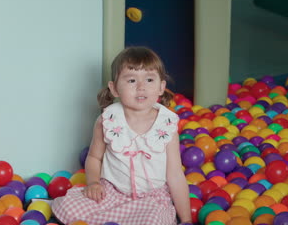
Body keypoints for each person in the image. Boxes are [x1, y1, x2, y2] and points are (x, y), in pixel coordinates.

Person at [52, 46, 192, 225]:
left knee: (153, 220)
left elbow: (175, 175)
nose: (141, 87)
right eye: (132, 80)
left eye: (149, 79)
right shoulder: (107, 121)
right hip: (112, 193)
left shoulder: (166, 125)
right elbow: (94, 157)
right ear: (114, 89)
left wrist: (186, 218)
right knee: (68, 206)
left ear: (161, 87)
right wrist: (94, 183)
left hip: (149, 200)